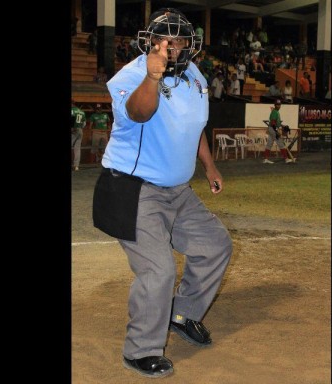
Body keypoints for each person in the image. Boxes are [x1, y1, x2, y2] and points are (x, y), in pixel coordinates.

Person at [94, 8, 232, 379]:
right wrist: (153, 77)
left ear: (189, 44)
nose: (172, 47)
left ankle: (182, 313)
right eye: (164, 39)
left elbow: (196, 126)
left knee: (216, 243)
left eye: (179, 39)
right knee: (159, 270)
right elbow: (138, 113)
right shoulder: (134, 74)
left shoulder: (194, 74)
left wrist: (209, 166)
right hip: (134, 188)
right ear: (151, 42)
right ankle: (140, 351)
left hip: (179, 191)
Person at [263, 99, 293, 164]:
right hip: (273, 129)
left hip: (271, 129)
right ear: (275, 105)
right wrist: (276, 131)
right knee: (281, 143)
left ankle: (265, 159)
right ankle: (286, 159)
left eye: (279, 105)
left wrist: (283, 126)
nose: (278, 106)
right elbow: (273, 122)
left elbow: (276, 123)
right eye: (277, 105)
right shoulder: (274, 112)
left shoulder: (276, 112)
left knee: (269, 144)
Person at [71, 99, 86, 171]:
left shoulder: (72, 110)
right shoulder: (81, 111)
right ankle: (76, 166)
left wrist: (73, 128)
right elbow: (84, 124)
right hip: (80, 130)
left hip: (73, 130)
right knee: (77, 149)